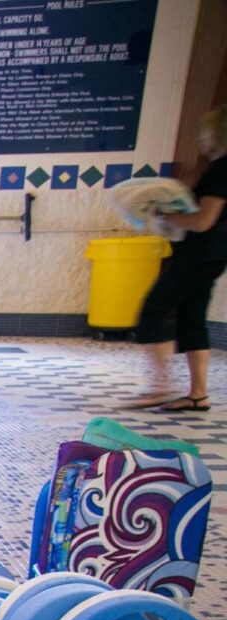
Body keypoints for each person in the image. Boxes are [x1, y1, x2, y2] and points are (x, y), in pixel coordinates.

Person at [130, 105, 227, 413]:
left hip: (198, 255)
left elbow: (203, 221)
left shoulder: (222, 170)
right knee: (191, 318)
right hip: (214, 255)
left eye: (205, 134)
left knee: (154, 308)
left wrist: (165, 214)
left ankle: (161, 387)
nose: (201, 140)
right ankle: (197, 394)